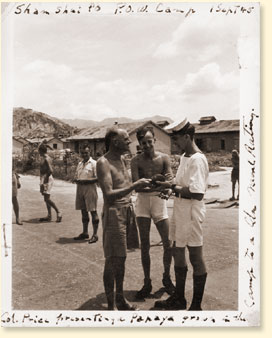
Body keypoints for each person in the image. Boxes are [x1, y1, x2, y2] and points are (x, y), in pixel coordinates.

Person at [154, 119, 209, 310]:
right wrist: (171, 190)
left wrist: (171, 187)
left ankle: (196, 305)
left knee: (195, 257)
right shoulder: (186, 156)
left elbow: (197, 192)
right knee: (177, 251)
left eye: (176, 139)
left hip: (192, 213)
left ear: (187, 137)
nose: (174, 143)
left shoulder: (198, 159)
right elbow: (182, 186)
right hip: (180, 210)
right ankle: (179, 298)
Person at [97, 127, 151, 310]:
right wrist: (135, 186)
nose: (129, 142)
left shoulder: (121, 159)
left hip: (127, 210)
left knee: (122, 258)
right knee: (112, 259)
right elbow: (109, 194)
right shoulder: (103, 162)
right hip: (114, 212)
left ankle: (119, 299)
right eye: (126, 139)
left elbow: (126, 184)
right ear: (115, 142)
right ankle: (111, 305)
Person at [131, 126, 175, 299]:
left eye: (150, 142)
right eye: (143, 143)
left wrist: (168, 188)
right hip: (142, 203)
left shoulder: (164, 158)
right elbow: (137, 183)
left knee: (168, 242)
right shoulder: (135, 161)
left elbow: (170, 178)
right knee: (145, 245)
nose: (147, 145)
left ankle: (166, 277)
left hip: (158, 201)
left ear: (155, 140)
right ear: (140, 144)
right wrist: (160, 184)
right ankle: (147, 281)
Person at [73, 146, 99, 243]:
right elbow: (76, 175)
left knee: (93, 211)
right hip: (80, 188)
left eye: (86, 153)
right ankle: (85, 232)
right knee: (83, 211)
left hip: (90, 188)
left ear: (90, 152)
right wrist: (76, 179)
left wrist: (86, 181)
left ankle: (95, 234)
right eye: (82, 153)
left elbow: (98, 178)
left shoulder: (94, 164)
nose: (84, 155)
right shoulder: (80, 164)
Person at [38, 143, 62, 222]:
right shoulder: (44, 157)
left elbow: (50, 170)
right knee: (46, 198)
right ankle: (49, 215)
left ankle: (58, 211)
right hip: (44, 178)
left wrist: (45, 180)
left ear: (41, 150)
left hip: (47, 178)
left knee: (47, 198)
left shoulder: (47, 158)